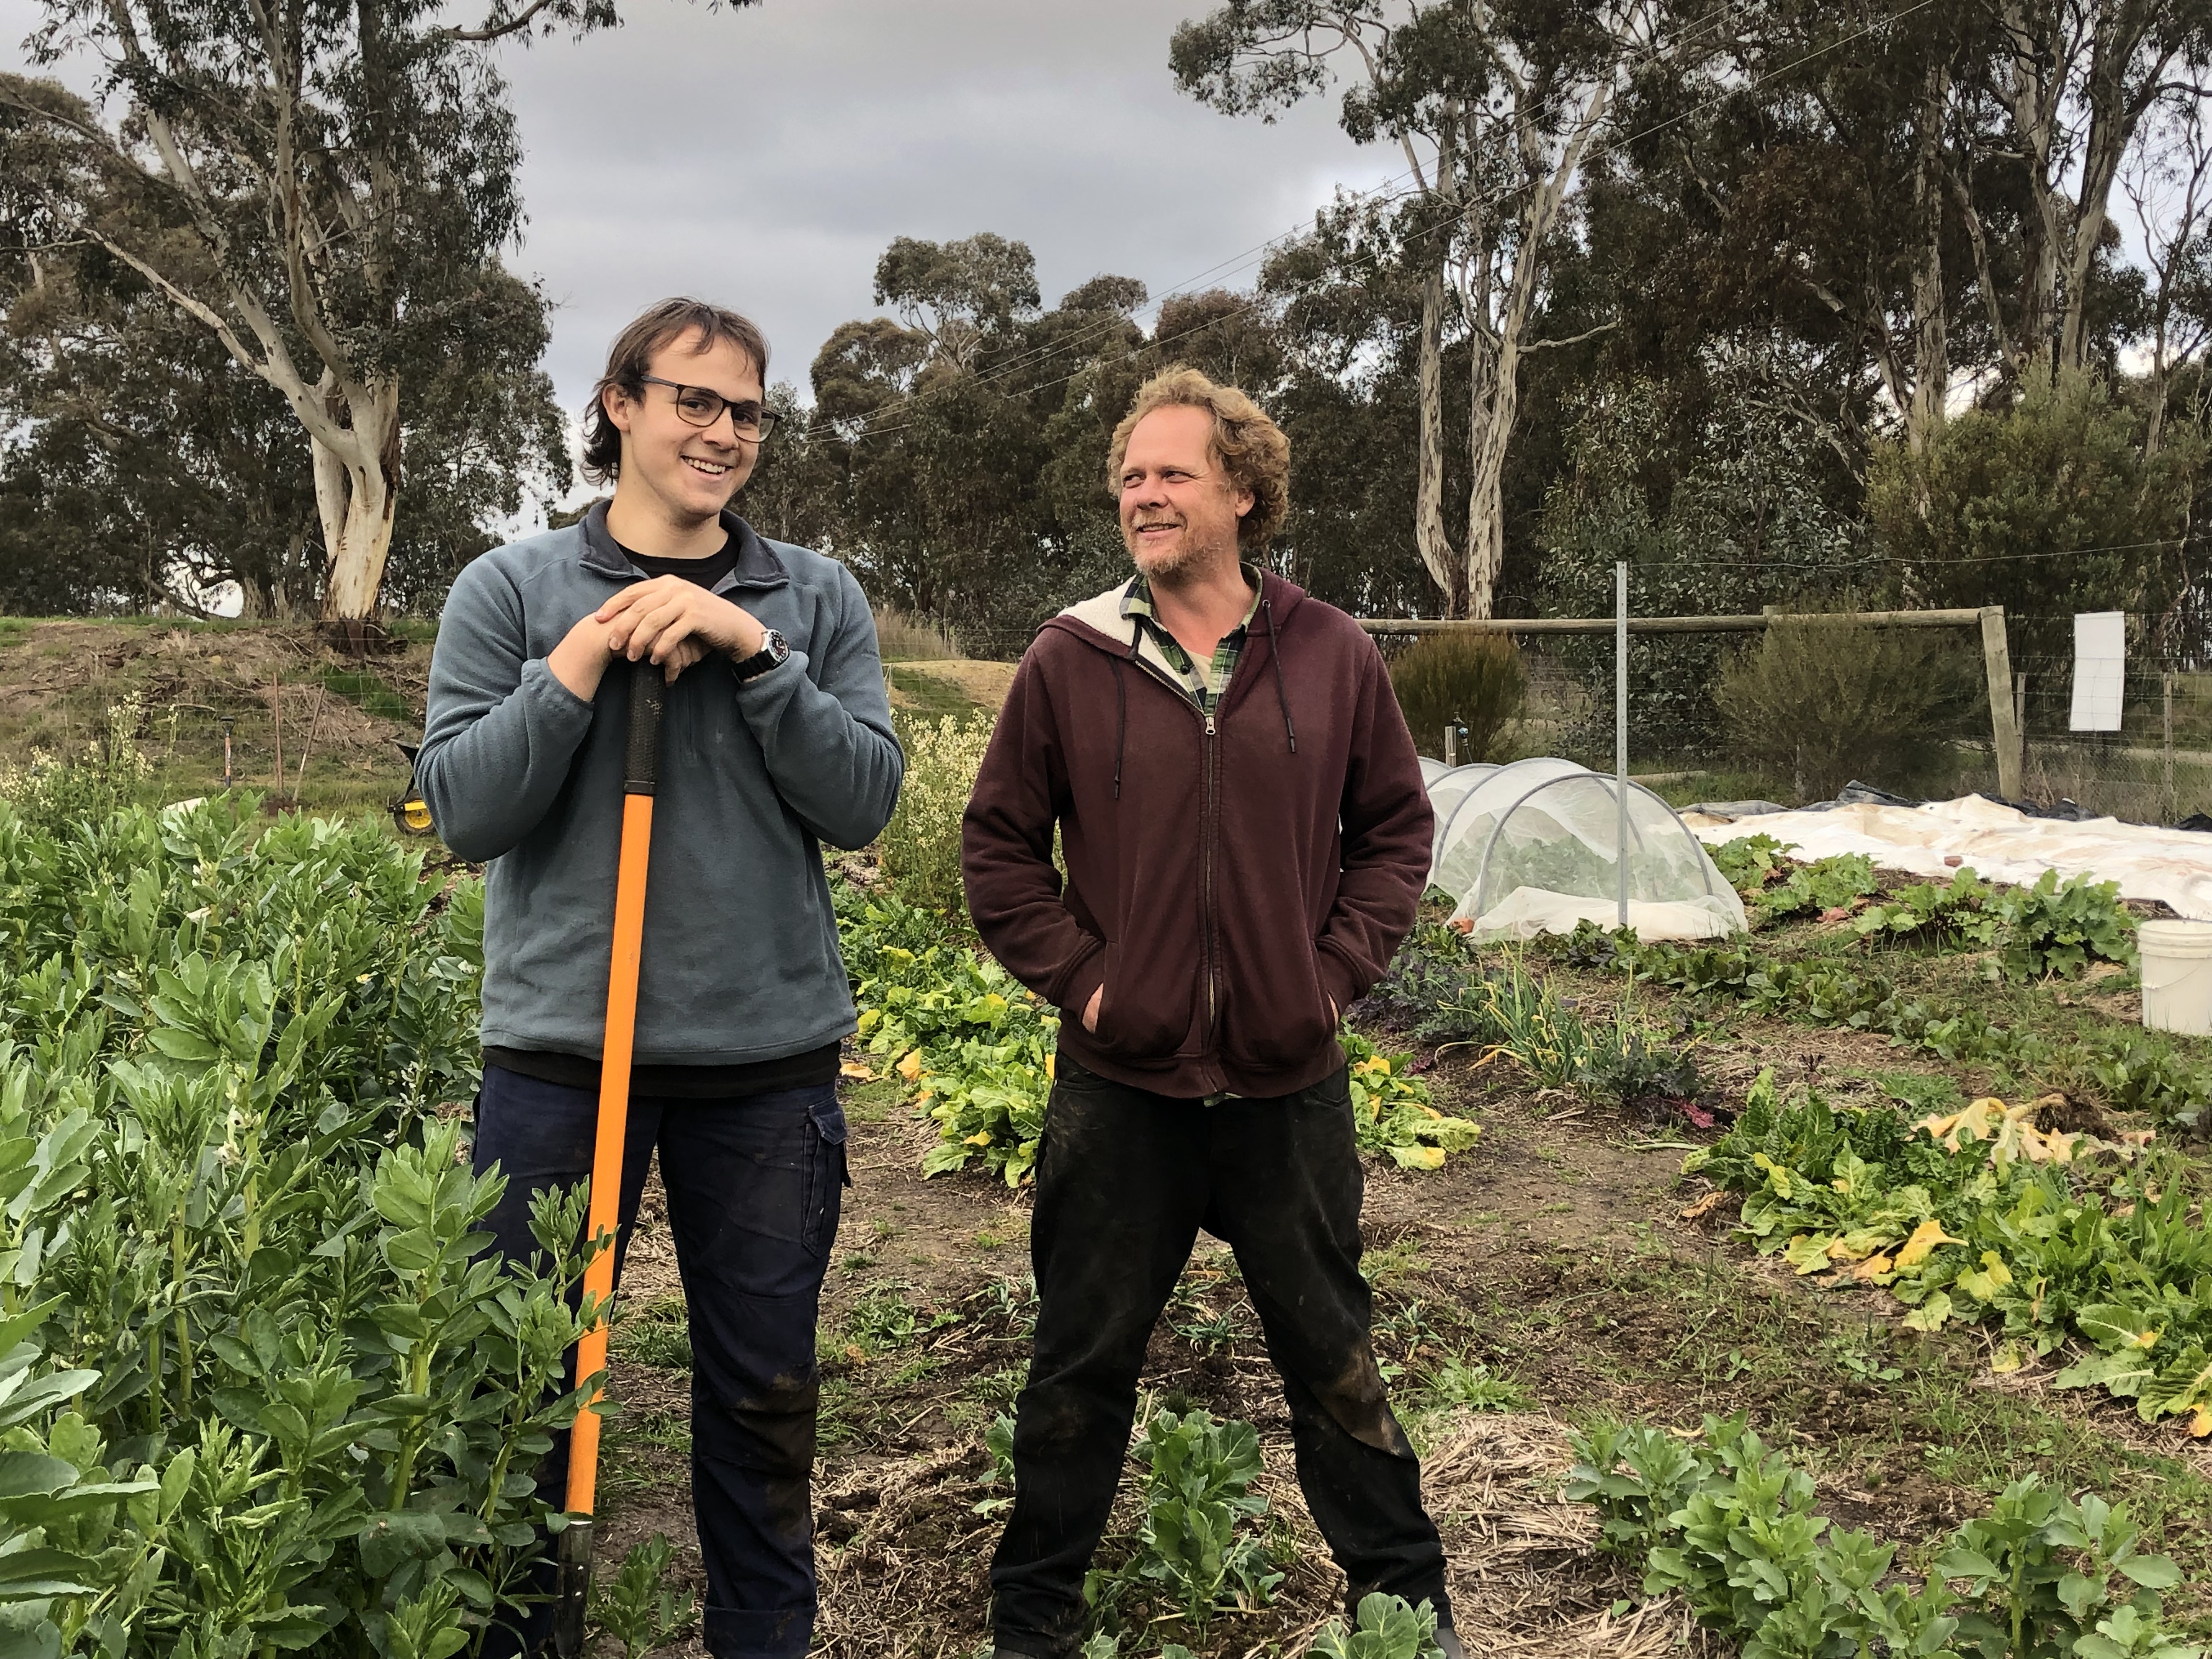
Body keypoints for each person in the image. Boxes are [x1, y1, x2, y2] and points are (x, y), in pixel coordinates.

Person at [418, 297, 902, 1659]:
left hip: (764, 1071)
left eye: (748, 411)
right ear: (621, 403)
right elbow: (463, 812)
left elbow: (864, 799)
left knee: (762, 1404)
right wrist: (576, 663)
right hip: (563, 1062)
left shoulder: (814, 597)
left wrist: (756, 657)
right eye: (695, 400)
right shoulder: (509, 593)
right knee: (526, 1397)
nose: (725, 432)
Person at [961, 366, 1462, 1658]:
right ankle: (1033, 1623)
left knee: (1332, 1355)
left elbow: (1396, 832)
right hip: (1120, 1089)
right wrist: (1090, 984)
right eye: (1132, 477)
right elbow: (1000, 850)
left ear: (1243, 493)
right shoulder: (1069, 658)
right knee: (1079, 1367)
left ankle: (1406, 1610)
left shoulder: (1332, 653)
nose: (1145, 494)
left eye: (1173, 473)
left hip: (1287, 1087)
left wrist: (1331, 977)